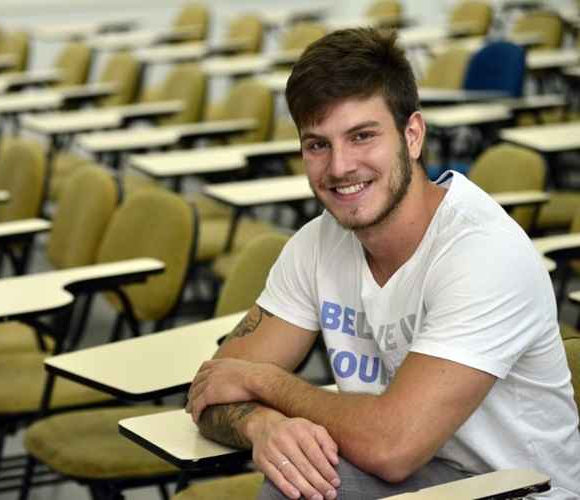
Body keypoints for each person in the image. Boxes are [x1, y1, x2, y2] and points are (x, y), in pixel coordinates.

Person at [185, 27, 580, 500]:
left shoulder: (484, 254)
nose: (339, 167)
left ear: (412, 136)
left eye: (362, 136)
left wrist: (265, 382)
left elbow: (392, 446)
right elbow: (211, 387)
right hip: (418, 477)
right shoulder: (317, 245)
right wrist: (262, 426)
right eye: (318, 145)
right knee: (300, 480)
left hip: (519, 492)